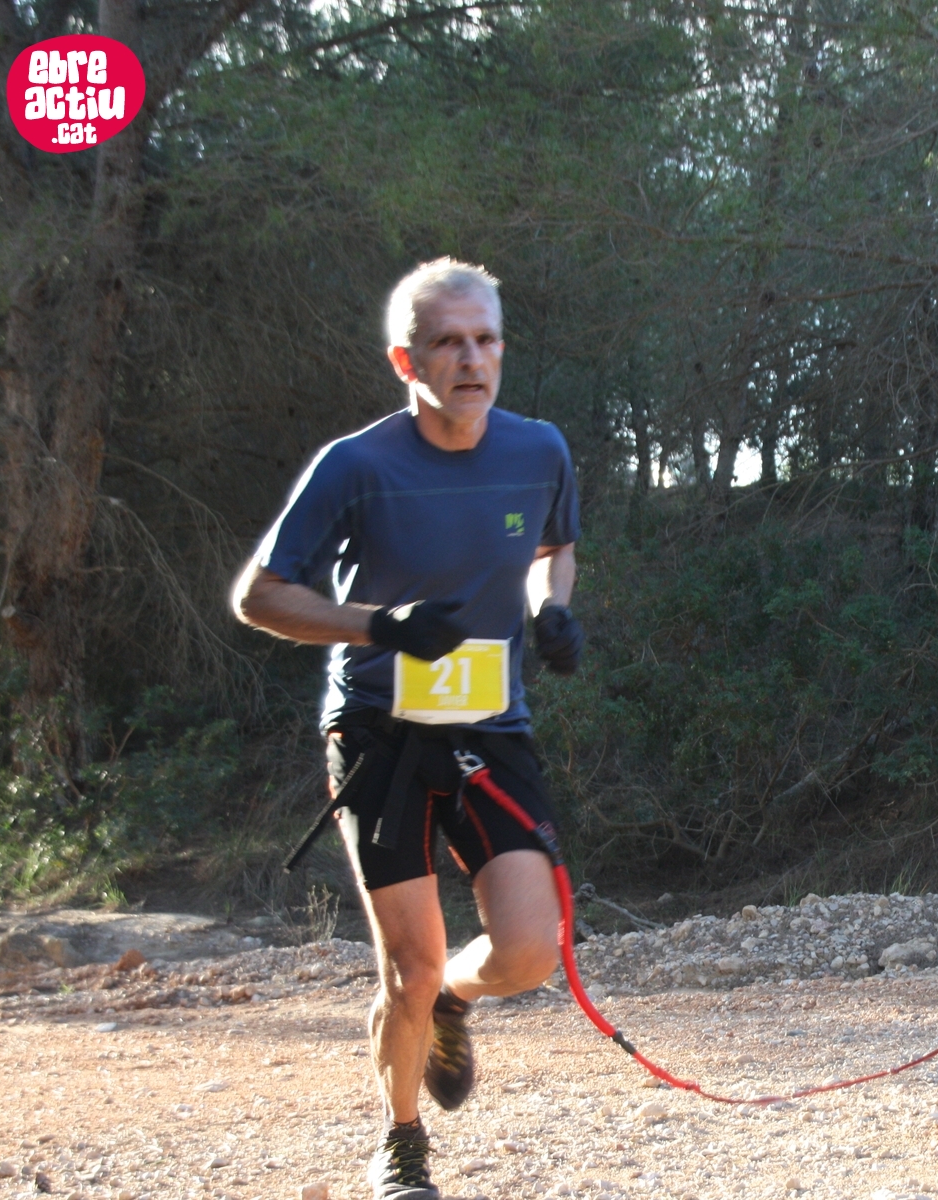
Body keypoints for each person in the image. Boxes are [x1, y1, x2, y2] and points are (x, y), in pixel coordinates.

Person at [232, 258, 586, 1199]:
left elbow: (553, 546)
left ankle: (454, 1003)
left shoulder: (540, 449)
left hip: (491, 728)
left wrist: (551, 609)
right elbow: (257, 596)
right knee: (411, 965)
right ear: (406, 359)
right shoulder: (355, 465)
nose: (471, 359)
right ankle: (401, 1144)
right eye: (448, 342)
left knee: (528, 952)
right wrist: (377, 625)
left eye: (486, 340)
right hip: (378, 735)